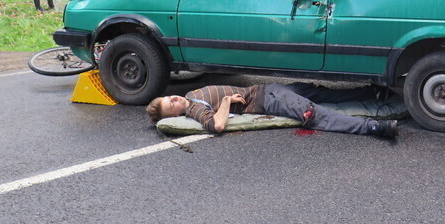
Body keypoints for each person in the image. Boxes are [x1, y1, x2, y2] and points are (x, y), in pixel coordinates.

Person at [147, 82, 399, 138]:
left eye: (169, 96)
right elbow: (218, 126)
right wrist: (225, 103)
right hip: (269, 100)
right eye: (171, 104)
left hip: (268, 88)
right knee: (313, 114)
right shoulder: (195, 112)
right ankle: (374, 127)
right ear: (175, 115)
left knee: (323, 92)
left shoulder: (191, 95)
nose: (174, 98)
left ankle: (374, 92)